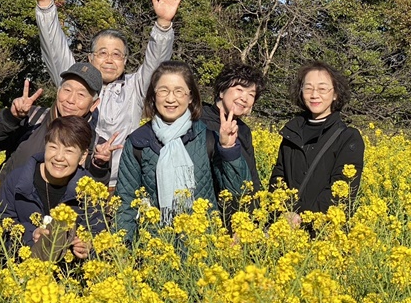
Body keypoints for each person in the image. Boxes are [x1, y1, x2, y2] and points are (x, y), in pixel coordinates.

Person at [30, 0, 183, 189]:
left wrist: (163, 25)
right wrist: (45, 5)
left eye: (117, 55)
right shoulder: (75, 82)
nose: (110, 60)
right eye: (102, 53)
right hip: (68, 181)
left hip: (117, 185)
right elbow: (54, 49)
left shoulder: (134, 88)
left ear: (125, 61)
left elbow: (156, 62)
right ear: (90, 58)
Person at [115, 61, 251, 241]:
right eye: (163, 91)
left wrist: (228, 149)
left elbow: (238, 192)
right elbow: (125, 203)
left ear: (190, 97)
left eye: (179, 91)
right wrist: (122, 248)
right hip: (155, 245)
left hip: (203, 245)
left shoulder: (208, 138)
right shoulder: (138, 142)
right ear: (153, 96)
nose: (171, 99)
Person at [0, 62, 114, 186]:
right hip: (7, 205)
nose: (71, 100)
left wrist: (99, 167)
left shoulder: (97, 146)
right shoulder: (32, 117)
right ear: (58, 91)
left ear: (94, 104)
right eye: (67, 90)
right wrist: (11, 118)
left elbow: (92, 194)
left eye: (81, 95)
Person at [0, 116, 105, 260]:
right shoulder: (17, 180)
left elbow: (98, 232)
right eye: (53, 147)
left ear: (83, 156)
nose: (59, 157)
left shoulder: (89, 190)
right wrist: (30, 234)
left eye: (69, 151)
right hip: (19, 266)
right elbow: (3, 222)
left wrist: (87, 247)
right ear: (45, 146)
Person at [269, 61, 364, 222]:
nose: (314, 95)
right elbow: (278, 179)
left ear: (335, 94)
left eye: (322, 89)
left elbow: (343, 190)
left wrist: (304, 217)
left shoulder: (348, 138)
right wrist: (282, 212)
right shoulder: (292, 132)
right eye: (308, 88)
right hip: (286, 227)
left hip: (324, 228)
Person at [201, 63, 265, 192]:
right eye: (239, 90)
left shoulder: (244, 130)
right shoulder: (198, 122)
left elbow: (252, 176)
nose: (244, 98)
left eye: (251, 95)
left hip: (240, 201)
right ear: (221, 91)